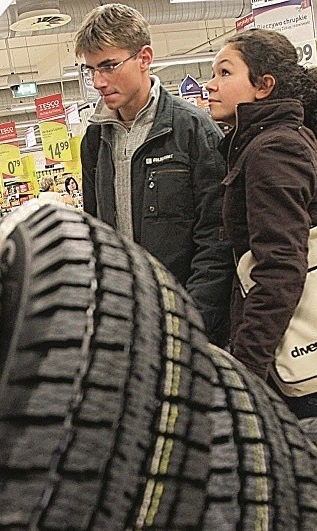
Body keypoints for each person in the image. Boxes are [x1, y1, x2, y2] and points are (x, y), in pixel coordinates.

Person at [205, 28, 317, 419]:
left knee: (300, 469)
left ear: (264, 86)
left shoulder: (272, 149)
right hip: (316, 342)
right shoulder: (279, 139)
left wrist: (245, 369)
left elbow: (281, 267)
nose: (210, 85)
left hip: (298, 353)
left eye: (225, 73)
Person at [75, 3, 232, 347]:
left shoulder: (192, 130)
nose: (99, 81)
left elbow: (217, 237)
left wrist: (195, 322)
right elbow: (96, 228)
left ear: (144, 57)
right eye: (91, 70)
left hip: (188, 319)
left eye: (109, 66)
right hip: (128, 318)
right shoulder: (94, 140)